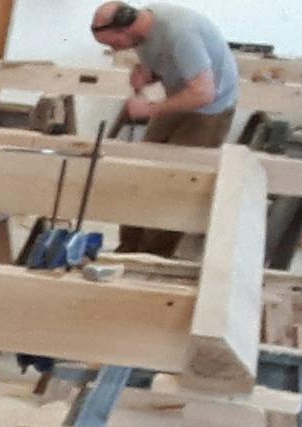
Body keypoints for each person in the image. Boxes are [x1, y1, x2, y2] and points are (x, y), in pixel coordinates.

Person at [91, 1, 239, 253]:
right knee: (144, 172)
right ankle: (129, 248)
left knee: (178, 182)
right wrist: (146, 74)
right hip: (181, 95)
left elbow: (204, 93)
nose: (115, 50)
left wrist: (150, 109)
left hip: (208, 109)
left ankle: (154, 256)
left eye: (114, 43)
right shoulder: (142, 29)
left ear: (127, 29)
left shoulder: (180, 33)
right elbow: (159, 59)